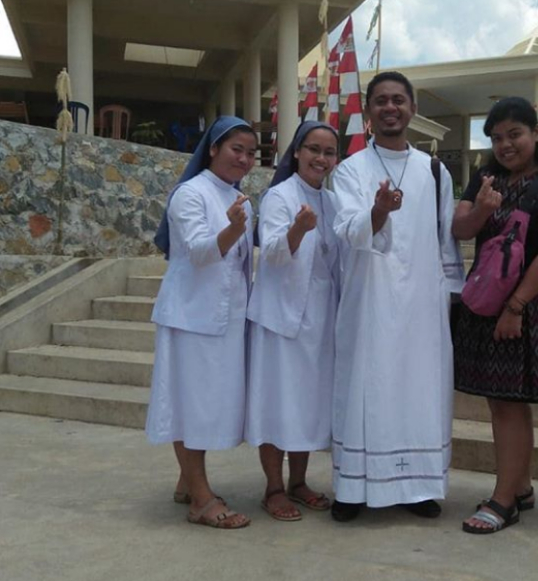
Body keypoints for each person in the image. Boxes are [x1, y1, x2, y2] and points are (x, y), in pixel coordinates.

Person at [330, 71, 464, 522]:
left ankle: (418, 485)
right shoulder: (350, 170)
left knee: (419, 387)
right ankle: (353, 486)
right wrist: (378, 212)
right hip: (370, 296)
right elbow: (348, 230)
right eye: (381, 101)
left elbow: (446, 239)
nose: (390, 107)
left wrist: (449, 295)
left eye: (399, 100)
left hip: (424, 302)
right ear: (368, 112)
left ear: (413, 109)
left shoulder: (434, 170)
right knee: (367, 385)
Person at [453, 97, 538, 535]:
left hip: (528, 305)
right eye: (497, 137)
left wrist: (516, 307)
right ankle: (519, 486)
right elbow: (460, 229)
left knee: (509, 403)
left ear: (536, 134)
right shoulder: (485, 179)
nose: (505, 144)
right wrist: (485, 208)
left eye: (515, 134)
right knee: (501, 400)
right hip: (488, 300)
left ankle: (503, 499)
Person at [146, 116, 257, 529]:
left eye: (251, 153)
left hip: (225, 320)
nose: (244, 159)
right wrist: (231, 230)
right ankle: (201, 500)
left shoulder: (239, 198)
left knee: (206, 404)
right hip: (191, 317)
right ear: (212, 148)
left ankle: (186, 482)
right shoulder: (189, 194)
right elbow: (198, 253)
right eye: (236, 149)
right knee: (190, 406)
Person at [246, 121, 340, 521]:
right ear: (298, 152)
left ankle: (299, 482)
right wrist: (297, 232)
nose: (321, 158)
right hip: (280, 319)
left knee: (305, 404)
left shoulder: (333, 202)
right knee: (277, 403)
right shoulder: (278, 197)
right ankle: (273, 488)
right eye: (314, 149)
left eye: (329, 152)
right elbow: (270, 253)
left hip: (320, 318)